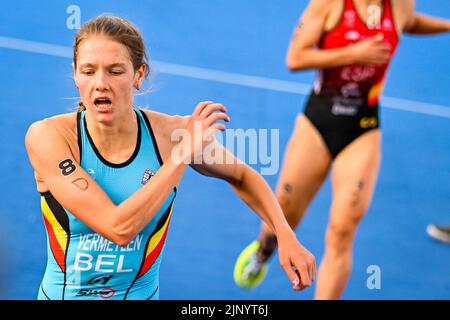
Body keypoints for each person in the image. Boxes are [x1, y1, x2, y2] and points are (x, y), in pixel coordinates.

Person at [25, 15, 316, 300]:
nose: (100, 83)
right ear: (75, 73)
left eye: (115, 71)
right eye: (88, 71)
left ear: (139, 74)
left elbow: (242, 175)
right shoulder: (49, 137)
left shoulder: (170, 135)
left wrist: (284, 233)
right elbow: (118, 228)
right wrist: (181, 155)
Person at [234, 0, 450, 299]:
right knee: (282, 215)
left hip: (363, 127)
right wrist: (354, 53)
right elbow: (295, 57)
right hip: (318, 123)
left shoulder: (399, 5)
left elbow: (409, 22)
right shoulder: (330, 5)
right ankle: (264, 252)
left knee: (342, 230)